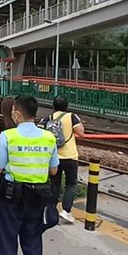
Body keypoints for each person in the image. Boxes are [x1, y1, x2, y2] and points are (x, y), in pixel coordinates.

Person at [0, 95, 59, 255]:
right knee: (33, 246)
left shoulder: (8, 137)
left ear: (17, 113)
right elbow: (53, 171)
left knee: (7, 245)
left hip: (11, 199)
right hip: (37, 200)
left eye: (13, 110)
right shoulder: (49, 137)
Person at [42, 96, 85, 224]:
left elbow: (40, 131)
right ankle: (66, 211)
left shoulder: (48, 118)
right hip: (70, 156)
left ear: (53, 105)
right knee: (71, 184)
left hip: (54, 157)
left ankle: (51, 210)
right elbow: (81, 132)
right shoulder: (72, 116)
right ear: (67, 105)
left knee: (55, 184)